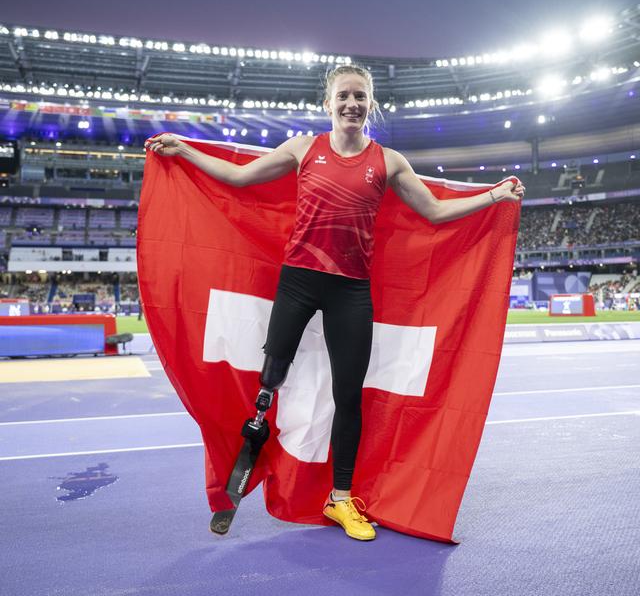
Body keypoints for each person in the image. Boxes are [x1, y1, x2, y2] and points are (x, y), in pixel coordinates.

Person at [145, 64, 525, 541]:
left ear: (371, 104)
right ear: (328, 103)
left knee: (349, 397)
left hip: (350, 291)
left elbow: (433, 211)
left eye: (360, 97)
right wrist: (183, 149)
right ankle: (242, 467)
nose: (351, 104)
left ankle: (341, 500)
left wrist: (495, 195)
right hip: (299, 282)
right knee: (268, 381)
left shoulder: (388, 162)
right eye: (343, 96)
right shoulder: (305, 148)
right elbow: (240, 179)